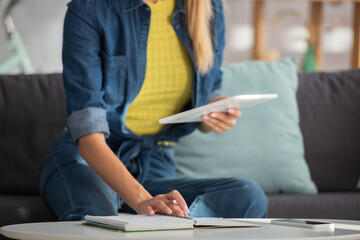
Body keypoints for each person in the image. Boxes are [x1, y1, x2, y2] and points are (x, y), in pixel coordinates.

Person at [39, 0, 268, 220]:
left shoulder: (208, 7)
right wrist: (141, 201)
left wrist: (212, 115)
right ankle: (159, 225)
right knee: (100, 221)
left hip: (156, 164)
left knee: (247, 196)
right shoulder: (90, 8)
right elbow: (89, 137)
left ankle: (163, 225)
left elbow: (208, 92)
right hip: (90, 160)